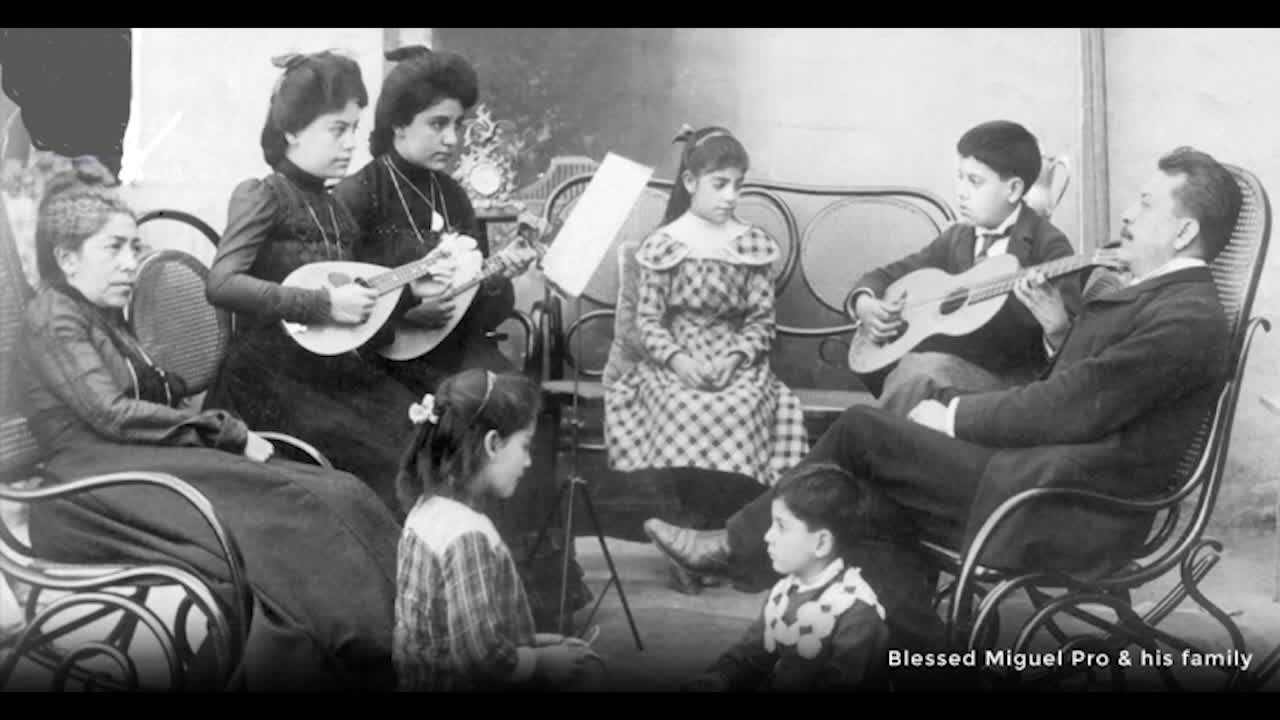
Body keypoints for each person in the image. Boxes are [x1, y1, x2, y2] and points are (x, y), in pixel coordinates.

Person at [644, 147, 1240, 663]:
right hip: (1037, 473)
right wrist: (1046, 342)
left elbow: (1068, 407)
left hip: (1065, 505)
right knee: (862, 504)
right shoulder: (1152, 297)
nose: (1129, 213)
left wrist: (950, 414)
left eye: (1145, 203)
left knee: (860, 432)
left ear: (1185, 233)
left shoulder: (1184, 318)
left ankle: (733, 547)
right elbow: (1081, 393)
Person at [19, 161, 402, 691]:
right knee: (285, 514)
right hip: (89, 490)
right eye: (114, 249)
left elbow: (138, 397)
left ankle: (395, 637)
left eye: (135, 247)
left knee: (331, 490)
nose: (131, 263)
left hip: (133, 461)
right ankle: (360, 648)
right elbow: (111, 413)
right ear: (66, 258)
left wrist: (177, 394)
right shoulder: (54, 319)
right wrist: (230, 433)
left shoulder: (100, 314)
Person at [205, 51, 418, 515]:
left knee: (420, 432)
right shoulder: (262, 195)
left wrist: (417, 290)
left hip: (332, 371)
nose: (349, 145)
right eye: (336, 129)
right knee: (387, 458)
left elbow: (356, 298)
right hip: (269, 379)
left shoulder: (335, 205)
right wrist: (321, 305)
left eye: (354, 130)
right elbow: (221, 284)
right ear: (292, 131)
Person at [610, 126, 807, 591]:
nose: (730, 196)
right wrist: (678, 361)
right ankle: (685, 527)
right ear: (691, 182)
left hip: (735, 359)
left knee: (742, 405)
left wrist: (736, 357)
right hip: (673, 357)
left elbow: (761, 321)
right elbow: (649, 323)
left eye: (738, 185)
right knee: (681, 404)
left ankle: (718, 536)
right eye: (720, 184)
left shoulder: (750, 245)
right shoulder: (665, 244)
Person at [333, 45, 536, 397]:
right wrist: (404, 314)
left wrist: (496, 277)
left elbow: (482, 316)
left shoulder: (453, 195)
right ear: (399, 123)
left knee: (517, 397)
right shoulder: (360, 193)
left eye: (457, 124)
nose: (452, 139)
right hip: (382, 360)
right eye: (438, 124)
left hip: (455, 353)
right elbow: (335, 298)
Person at [849, 120, 1083, 415]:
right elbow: (888, 275)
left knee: (922, 369)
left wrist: (1057, 329)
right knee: (919, 369)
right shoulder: (957, 238)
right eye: (959, 177)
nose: (961, 192)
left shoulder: (1048, 246)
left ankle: (865, 443)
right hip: (939, 378)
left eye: (974, 181)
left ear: (1013, 190)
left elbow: (1073, 351)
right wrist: (865, 302)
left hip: (1007, 390)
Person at [393, 369, 605, 691]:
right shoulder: (468, 535)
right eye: (525, 446)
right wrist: (543, 663)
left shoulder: (425, 510)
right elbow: (480, 663)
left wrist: (533, 642)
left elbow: (448, 634)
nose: (529, 462)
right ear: (493, 444)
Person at [684, 463, 896, 692]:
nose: (767, 536)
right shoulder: (786, 590)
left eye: (781, 526)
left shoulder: (855, 611)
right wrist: (717, 679)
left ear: (821, 543)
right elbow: (752, 655)